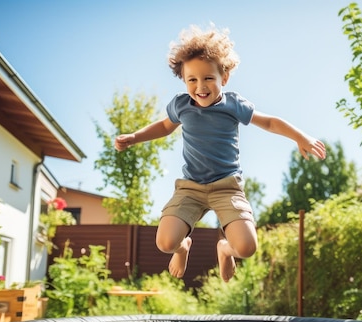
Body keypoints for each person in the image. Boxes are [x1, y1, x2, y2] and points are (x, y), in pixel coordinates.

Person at [115, 25, 326, 283]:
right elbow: (163, 127)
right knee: (166, 242)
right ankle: (184, 247)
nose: (200, 86)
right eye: (192, 79)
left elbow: (269, 121)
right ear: (183, 79)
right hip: (191, 188)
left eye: (208, 78)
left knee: (247, 247)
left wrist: (300, 137)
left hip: (227, 188)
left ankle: (225, 249)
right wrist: (135, 137)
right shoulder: (181, 105)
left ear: (223, 77)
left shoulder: (233, 105)